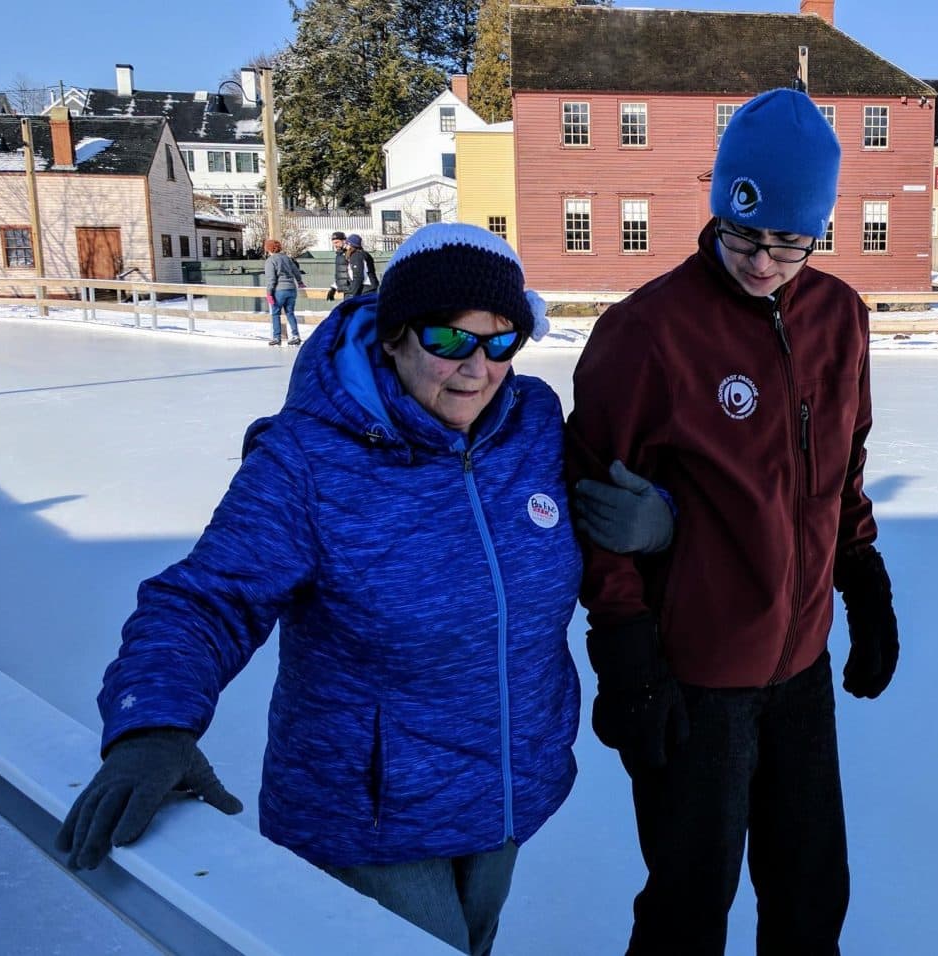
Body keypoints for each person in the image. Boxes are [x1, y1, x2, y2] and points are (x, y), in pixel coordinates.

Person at [57, 223, 662, 955]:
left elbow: (592, 514)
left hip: (506, 789)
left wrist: (657, 523)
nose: (477, 368)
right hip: (370, 816)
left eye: (501, 341)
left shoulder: (530, 424)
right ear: (394, 337)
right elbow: (208, 599)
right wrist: (152, 725)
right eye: (449, 341)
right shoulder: (309, 460)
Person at [566, 87, 901, 955]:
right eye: (743, 235)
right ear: (718, 209)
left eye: (789, 242)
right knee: (688, 905)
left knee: (811, 896)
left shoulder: (841, 321)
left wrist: (862, 583)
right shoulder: (647, 333)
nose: (763, 262)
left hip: (800, 673)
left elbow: (843, 471)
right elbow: (597, 505)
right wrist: (627, 656)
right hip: (697, 680)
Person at [261, 238, 305, 346]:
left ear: (268, 249)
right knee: (290, 313)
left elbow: (271, 279)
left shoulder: (270, 261)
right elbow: (296, 271)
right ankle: (296, 335)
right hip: (291, 289)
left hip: (279, 290)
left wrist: (269, 293)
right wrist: (299, 282)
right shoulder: (287, 258)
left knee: (275, 313)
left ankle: (277, 337)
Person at [343, 232, 379, 300]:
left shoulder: (356, 256)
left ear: (350, 245)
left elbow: (358, 277)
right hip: (370, 288)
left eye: (347, 244)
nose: (345, 246)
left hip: (365, 290)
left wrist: (351, 294)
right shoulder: (364, 254)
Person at [325, 230, 347, 301]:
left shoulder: (349, 253)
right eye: (333, 243)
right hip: (347, 290)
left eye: (337, 242)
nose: (335, 245)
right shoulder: (339, 255)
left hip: (353, 290)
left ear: (344, 241)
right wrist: (334, 287)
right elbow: (341, 273)